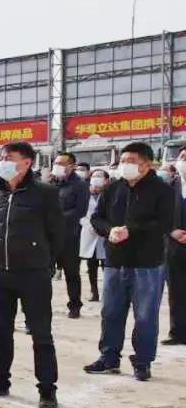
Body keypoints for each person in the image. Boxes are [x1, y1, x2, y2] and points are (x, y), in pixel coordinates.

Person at [0, 142, 63, 408]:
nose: (3, 162)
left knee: (41, 334)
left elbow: (57, 233)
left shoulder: (45, 193)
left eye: (9, 158)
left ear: (26, 163)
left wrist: (45, 262)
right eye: (1, 157)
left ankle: (47, 388)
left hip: (33, 274)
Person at [84, 142, 175, 381]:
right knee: (111, 313)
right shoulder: (113, 188)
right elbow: (97, 218)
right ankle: (109, 357)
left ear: (147, 163)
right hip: (115, 261)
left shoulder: (162, 190)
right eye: (123, 161)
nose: (126, 165)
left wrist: (130, 230)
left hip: (147, 263)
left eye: (131, 161)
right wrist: (109, 230)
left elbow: (164, 223)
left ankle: (142, 362)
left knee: (145, 316)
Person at [51, 151, 89, 318]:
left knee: (71, 273)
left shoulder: (79, 185)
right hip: (49, 236)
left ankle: (74, 305)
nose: (57, 166)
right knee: (43, 272)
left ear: (71, 166)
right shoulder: (51, 184)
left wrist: (57, 218)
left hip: (70, 236)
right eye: (55, 163)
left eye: (61, 164)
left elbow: (80, 210)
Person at [79, 169, 109, 303]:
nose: (96, 178)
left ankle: (108, 292)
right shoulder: (84, 194)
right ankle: (94, 292)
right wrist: (91, 226)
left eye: (99, 176)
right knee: (91, 265)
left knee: (107, 265)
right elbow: (80, 213)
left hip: (106, 233)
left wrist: (102, 228)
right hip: (89, 232)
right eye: (94, 176)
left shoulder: (110, 194)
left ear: (106, 180)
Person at [166, 148, 186, 346]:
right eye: (182, 157)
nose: (184, 161)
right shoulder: (171, 185)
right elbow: (161, 214)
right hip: (174, 246)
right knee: (176, 291)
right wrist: (171, 231)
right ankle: (177, 333)